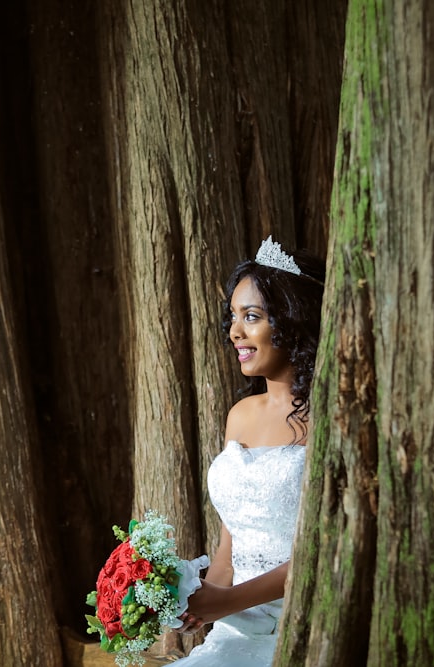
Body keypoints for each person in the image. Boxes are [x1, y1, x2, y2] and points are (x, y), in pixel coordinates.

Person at [172, 236, 326, 665]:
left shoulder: (331, 419)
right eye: (234, 317)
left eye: (252, 316)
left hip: (304, 625)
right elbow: (230, 545)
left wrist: (229, 601)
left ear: (295, 320)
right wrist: (200, 602)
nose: (235, 332)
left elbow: (324, 550)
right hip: (233, 629)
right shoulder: (240, 415)